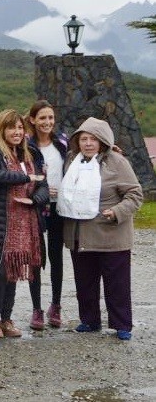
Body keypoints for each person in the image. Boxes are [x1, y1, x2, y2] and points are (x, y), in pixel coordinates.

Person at [57, 117, 143, 340]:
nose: (88, 143)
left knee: (117, 283)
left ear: (103, 141)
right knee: (85, 282)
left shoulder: (117, 162)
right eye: (83, 139)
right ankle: (89, 320)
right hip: (80, 235)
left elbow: (135, 194)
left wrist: (117, 212)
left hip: (110, 233)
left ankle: (122, 324)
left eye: (93, 139)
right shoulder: (72, 160)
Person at [0, 109, 49, 339]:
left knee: (13, 273)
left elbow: (44, 185)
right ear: (1, 129)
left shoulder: (30, 153)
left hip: (25, 223)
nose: (16, 132)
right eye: (11, 128)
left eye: (19, 127)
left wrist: (34, 199)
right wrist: (28, 178)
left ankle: (6, 319)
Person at [26, 100, 69, 329]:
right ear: (33, 119)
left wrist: (111, 149)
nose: (47, 122)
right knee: (36, 257)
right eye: (42, 117)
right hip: (34, 206)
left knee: (56, 256)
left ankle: (56, 305)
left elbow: (85, 150)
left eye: (50, 117)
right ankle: (36, 309)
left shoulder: (62, 142)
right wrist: (38, 190)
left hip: (58, 207)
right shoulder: (26, 144)